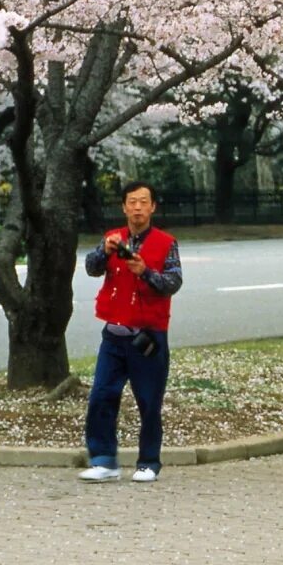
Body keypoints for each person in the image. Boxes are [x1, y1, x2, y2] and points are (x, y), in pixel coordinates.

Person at [80, 180, 183, 483]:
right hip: (114, 333)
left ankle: (148, 461)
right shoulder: (114, 239)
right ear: (124, 207)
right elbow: (91, 268)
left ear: (152, 207)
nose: (137, 207)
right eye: (132, 202)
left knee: (149, 401)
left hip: (148, 336)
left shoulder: (166, 243)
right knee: (101, 395)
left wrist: (146, 273)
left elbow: (173, 282)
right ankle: (103, 460)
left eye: (143, 202)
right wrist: (104, 249)